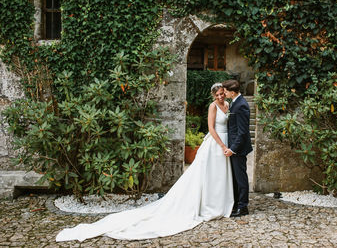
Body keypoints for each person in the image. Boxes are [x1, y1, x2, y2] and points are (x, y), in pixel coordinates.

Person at [56, 83, 233, 242]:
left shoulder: (227, 105)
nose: (220, 97)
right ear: (213, 95)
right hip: (215, 144)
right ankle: (208, 206)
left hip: (226, 144)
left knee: (219, 176)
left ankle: (219, 203)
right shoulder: (212, 107)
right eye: (217, 94)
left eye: (221, 94)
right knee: (208, 175)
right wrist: (223, 145)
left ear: (224, 93)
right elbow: (210, 128)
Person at [222, 80, 253, 217]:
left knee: (241, 178)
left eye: (226, 91)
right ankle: (235, 204)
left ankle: (243, 206)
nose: (224, 93)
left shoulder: (241, 105)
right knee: (235, 178)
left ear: (232, 92)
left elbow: (242, 132)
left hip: (238, 149)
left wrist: (233, 149)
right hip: (233, 147)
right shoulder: (235, 103)